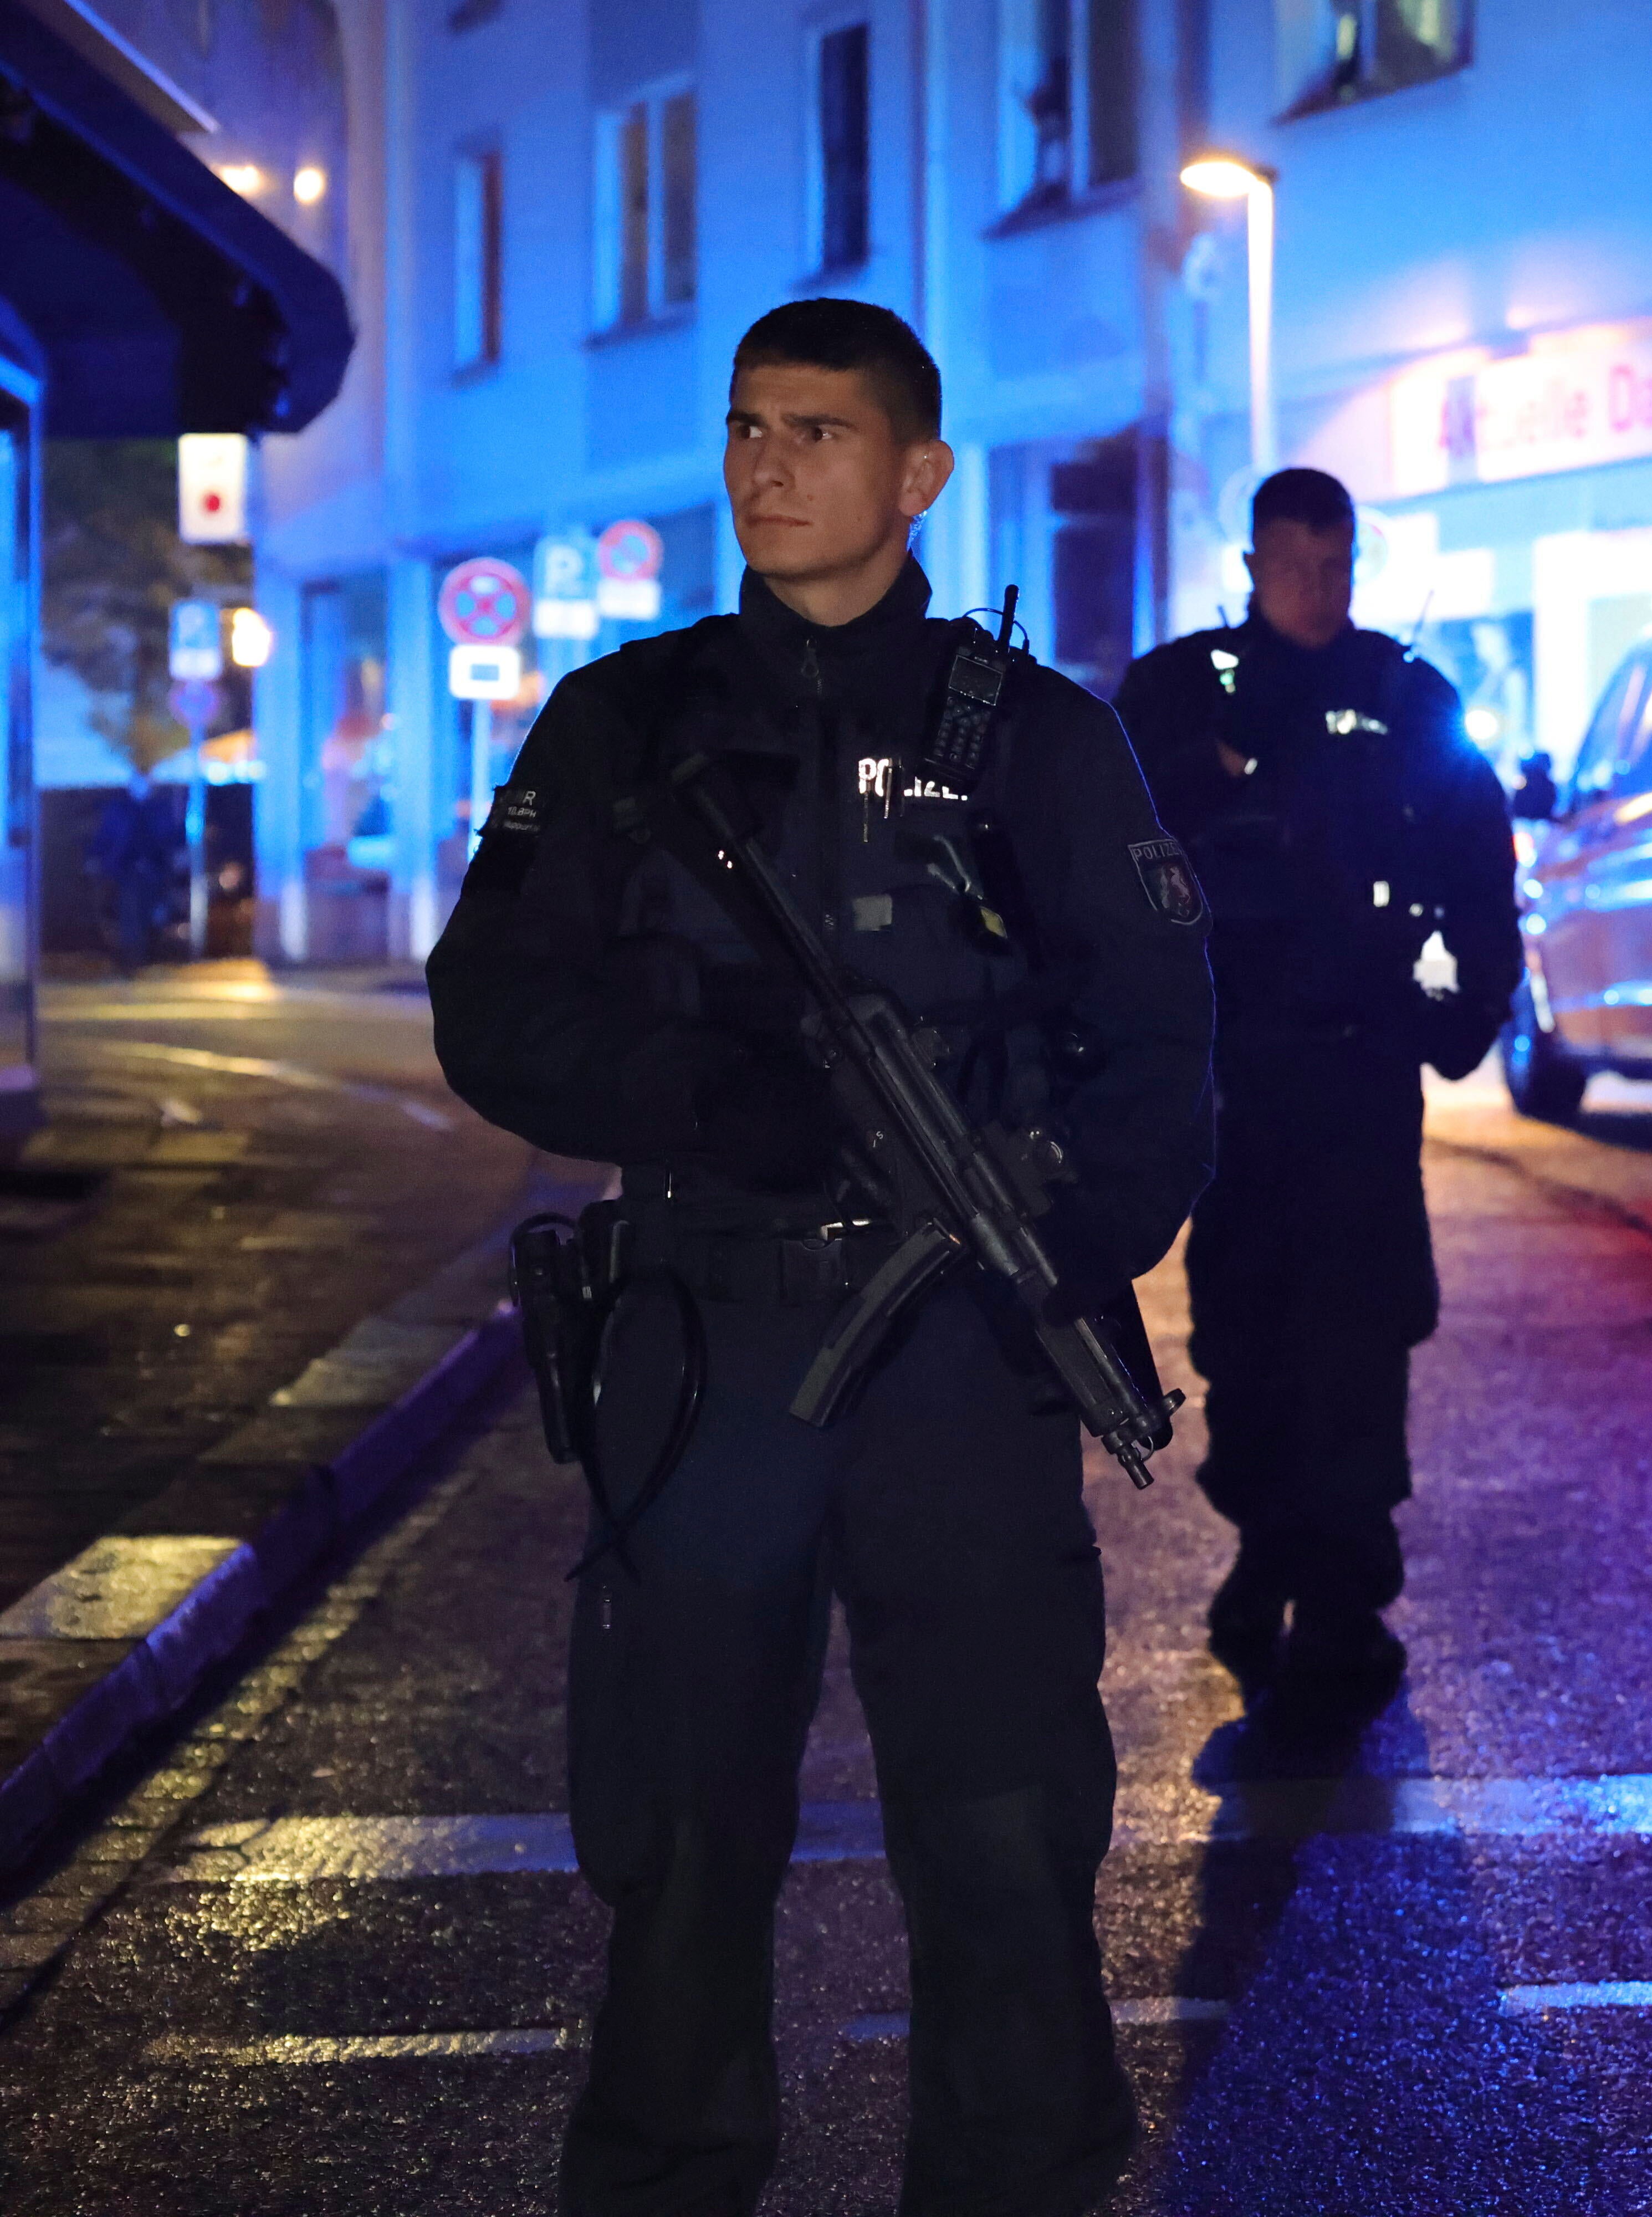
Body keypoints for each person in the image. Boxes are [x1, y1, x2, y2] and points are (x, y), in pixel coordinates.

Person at [428, 299, 1214, 2215]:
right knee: (681, 1831)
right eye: (748, 430)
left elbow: (1163, 1031)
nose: (768, 467)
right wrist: (699, 1096)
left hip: (957, 1356)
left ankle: (1018, 2181)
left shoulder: (1035, 737)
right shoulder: (629, 722)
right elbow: (492, 1013)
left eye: (819, 433)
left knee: (1006, 1827)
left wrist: (1057, 1265)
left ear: (919, 471)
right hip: (711, 1337)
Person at [1114, 467, 1520, 1729]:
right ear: (1254, 563)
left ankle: (1342, 1593)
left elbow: (1478, 871)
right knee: (1243, 1332)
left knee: (1357, 1333)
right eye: (1295, 567)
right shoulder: (1181, 694)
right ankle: (1268, 1547)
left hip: (1353, 1068)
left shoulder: (1405, 698)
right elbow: (1109, 862)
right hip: (1231, 1074)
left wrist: (1457, 1020)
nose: (1317, 589)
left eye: (1335, 568)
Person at [87, 771, 181, 972]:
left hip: (152, 871)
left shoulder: (158, 809)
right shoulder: (120, 809)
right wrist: (99, 858)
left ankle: (145, 957)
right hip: (126, 872)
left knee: (151, 914)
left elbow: (168, 838)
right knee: (129, 915)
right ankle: (132, 959)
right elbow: (107, 836)